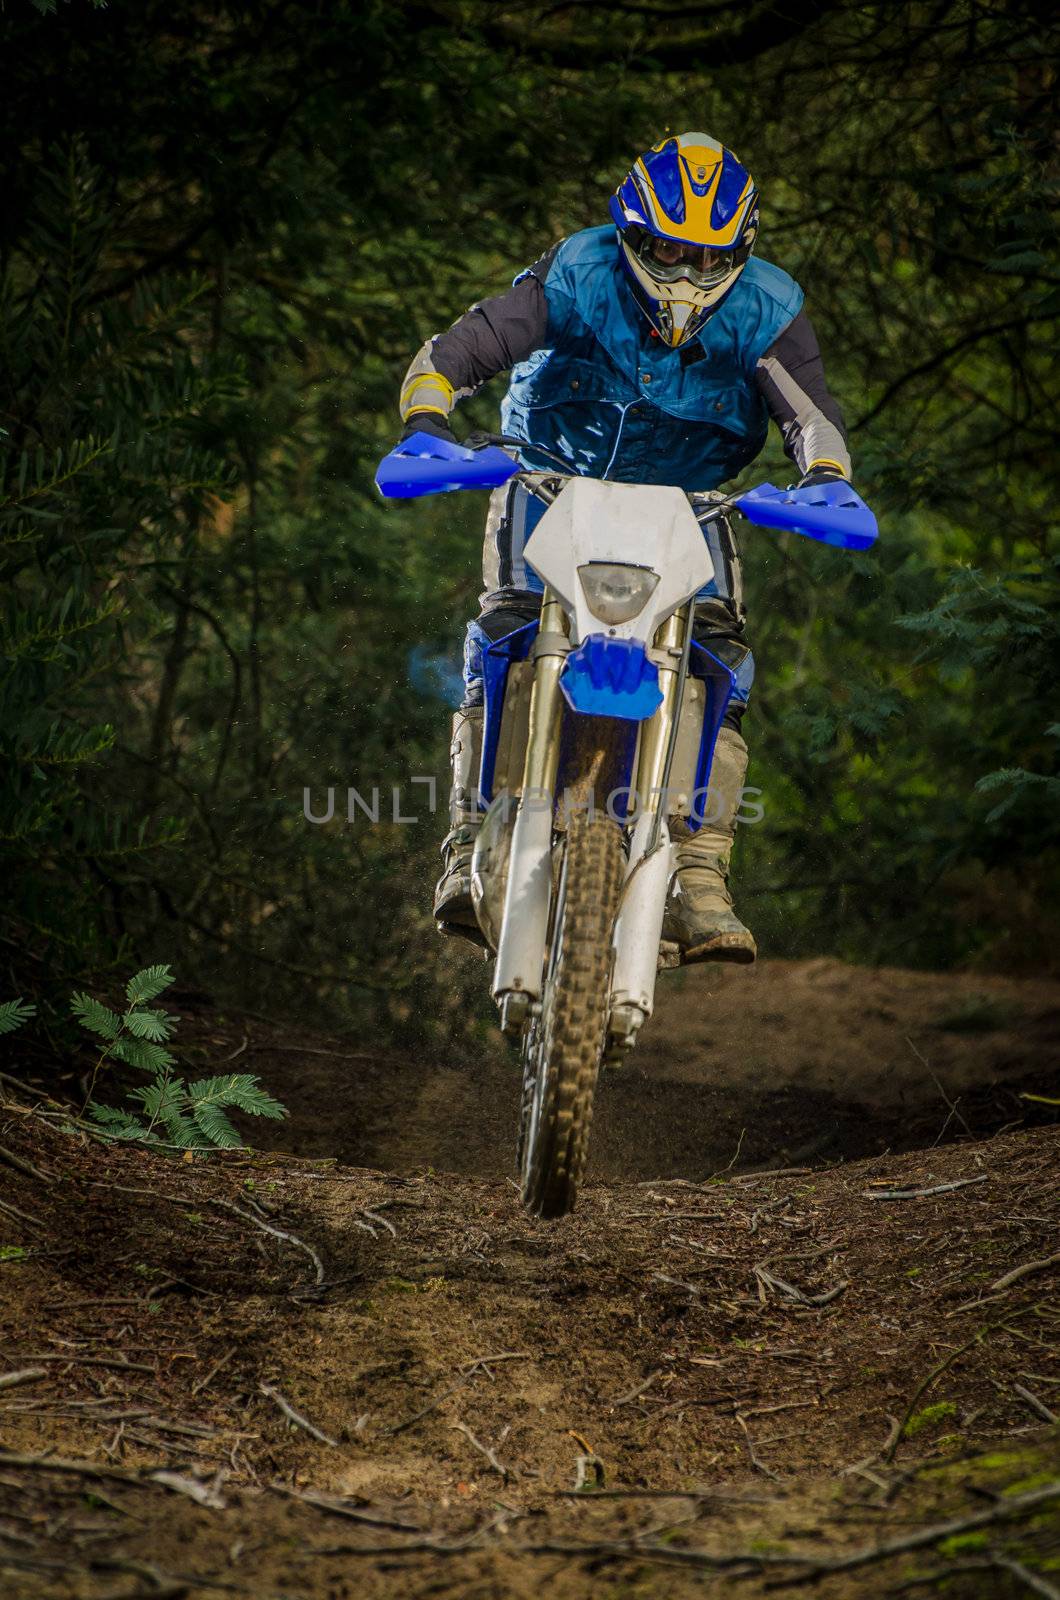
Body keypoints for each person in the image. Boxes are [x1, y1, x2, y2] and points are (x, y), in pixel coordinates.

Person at [398, 132, 850, 965]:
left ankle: (699, 868)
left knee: (718, 657)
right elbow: (463, 348)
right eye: (663, 250)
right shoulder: (576, 272)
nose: (683, 274)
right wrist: (431, 423)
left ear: (740, 252)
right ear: (628, 233)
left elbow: (809, 415)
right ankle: (468, 837)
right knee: (503, 627)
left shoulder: (768, 309)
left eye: (706, 256)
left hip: (688, 505)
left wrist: (825, 477)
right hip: (546, 480)